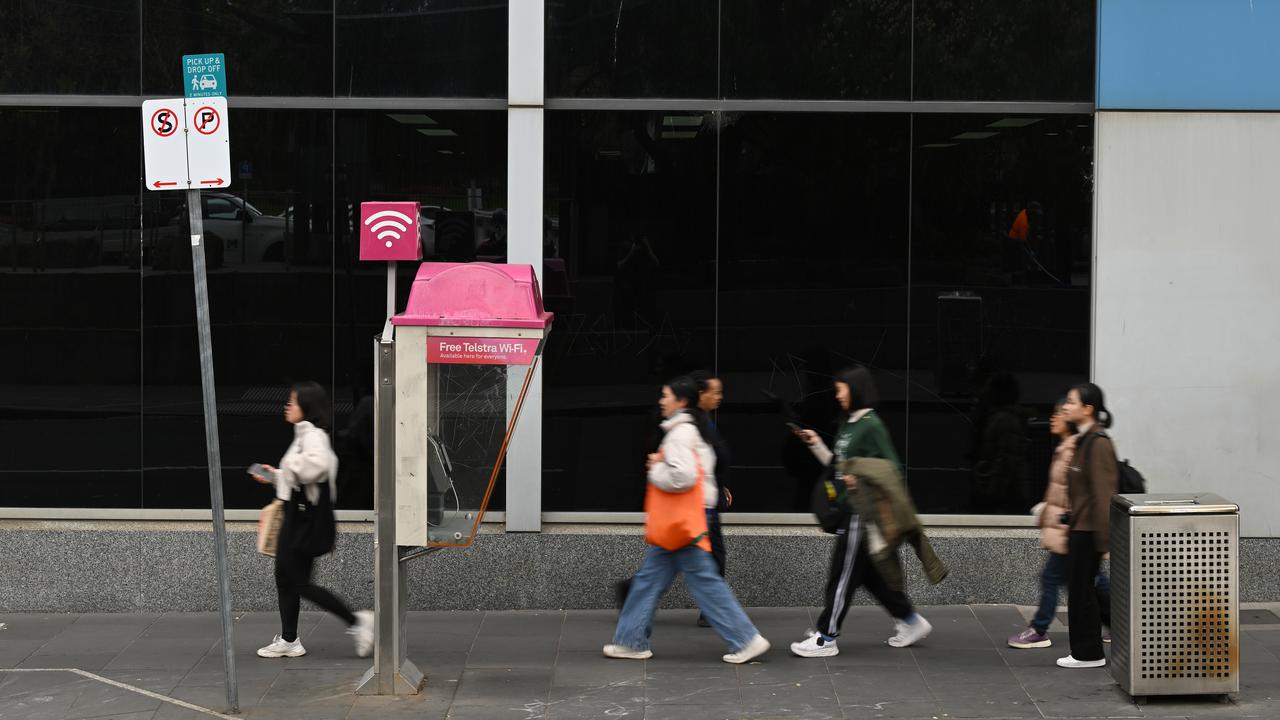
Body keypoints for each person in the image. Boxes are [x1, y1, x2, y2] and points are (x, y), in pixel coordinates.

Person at [604, 375, 770, 664]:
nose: (661, 400)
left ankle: (745, 639)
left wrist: (655, 469)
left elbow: (683, 476)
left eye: (665, 395)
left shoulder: (681, 432)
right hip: (692, 515)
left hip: (684, 517)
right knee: (649, 579)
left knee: (702, 581)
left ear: (681, 401)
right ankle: (630, 641)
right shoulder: (695, 428)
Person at [790, 365, 933, 657]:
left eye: (841, 389)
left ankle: (826, 637)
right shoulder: (849, 424)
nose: (837, 395)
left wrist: (862, 478)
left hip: (861, 514)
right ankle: (910, 620)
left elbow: (892, 469)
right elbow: (840, 465)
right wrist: (815, 444)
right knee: (868, 576)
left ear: (855, 390)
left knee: (841, 575)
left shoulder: (872, 425)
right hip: (849, 509)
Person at [251, 382, 373, 659]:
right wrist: (275, 475)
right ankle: (289, 639)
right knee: (285, 577)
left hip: (305, 518)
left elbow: (318, 467)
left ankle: (358, 622)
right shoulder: (303, 434)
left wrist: (289, 469)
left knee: (298, 581)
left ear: (306, 407)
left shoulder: (313, 435)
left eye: (292, 402)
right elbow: (299, 476)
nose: (287, 406)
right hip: (297, 513)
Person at [1008, 398, 1111, 649]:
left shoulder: (1073, 447)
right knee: (1093, 581)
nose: (1053, 418)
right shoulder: (1066, 446)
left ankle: (1039, 628)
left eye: (1060, 413)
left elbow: (1075, 492)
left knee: (1053, 578)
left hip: (1069, 529)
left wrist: (1067, 522)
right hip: (1065, 527)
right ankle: (1119, 625)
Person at [1055, 382, 1118, 669]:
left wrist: (1105, 542)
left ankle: (1088, 653)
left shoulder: (1099, 443)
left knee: (1082, 591)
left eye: (1071, 401)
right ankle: (1094, 645)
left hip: (1090, 531)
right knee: (1082, 590)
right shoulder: (1084, 440)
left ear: (1088, 408)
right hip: (1080, 528)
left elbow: (1104, 495)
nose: (1066, 407)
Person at [691, 371, 732, 627]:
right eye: (715, 392)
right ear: (700, 394)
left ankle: (633, 594)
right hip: (699, 503)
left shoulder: (704, 420)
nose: (719, 397)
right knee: (714, 555)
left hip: (706, 497)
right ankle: (714, 610)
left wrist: (720, 483)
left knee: (666, 561)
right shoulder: (692, 423)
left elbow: (710, 460)